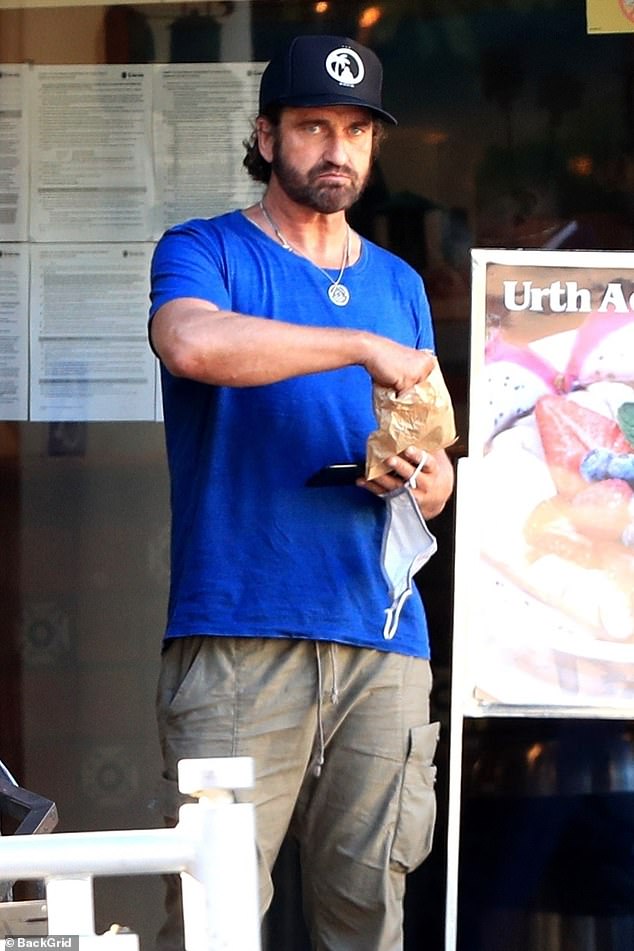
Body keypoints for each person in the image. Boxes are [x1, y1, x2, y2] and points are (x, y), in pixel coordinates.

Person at [149, 33, 455, 951]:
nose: (337, 149)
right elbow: (191, 343)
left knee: (369, 920)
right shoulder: (205, 248)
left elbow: (434, 462)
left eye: (357, 131)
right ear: (266, 135)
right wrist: (358, 346)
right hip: (241, 631)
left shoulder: (400, 284)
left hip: (383, 637)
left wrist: (421, 476)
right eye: (314, 125)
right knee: (214, 922)